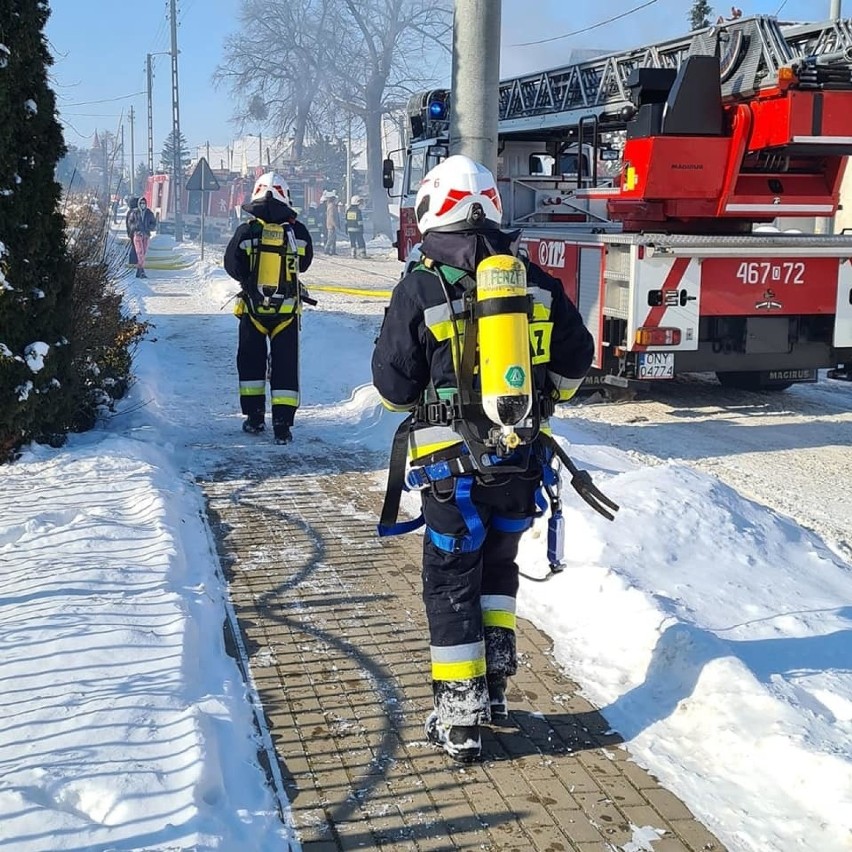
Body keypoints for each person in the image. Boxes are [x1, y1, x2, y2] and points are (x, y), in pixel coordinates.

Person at [371, 155, 596, 763]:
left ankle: (459, 715)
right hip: (521, 465)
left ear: (431, 212)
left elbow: (393, 388)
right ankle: (495, 690)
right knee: (498, 570)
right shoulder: (535, 281)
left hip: (451, 476)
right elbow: (577, 361)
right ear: (493, 208)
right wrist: (542, 401)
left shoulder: (420, 285)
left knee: (449, 581)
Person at [223, 171, 314, 444]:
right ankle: (283, 426)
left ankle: (254, 419)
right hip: (286, 314)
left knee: (251, 363)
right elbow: (306, 262)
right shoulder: (297, 231)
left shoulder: (246, 231)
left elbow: (231, 265)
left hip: (252, 311)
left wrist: (250, 277)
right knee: (285, 367)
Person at [125, 196, 157, 278]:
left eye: (144, 203)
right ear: (139, 204)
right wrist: (135, 227)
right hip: (137, 235)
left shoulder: (149, 213)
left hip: (146, 235)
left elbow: (153, 223)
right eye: (141, 203)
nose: (143, 204)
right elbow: (130, 222)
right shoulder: (134, 212)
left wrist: (149, 227)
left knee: (144, 253)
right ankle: (141, 270)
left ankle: (140, 271)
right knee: (140, 253)